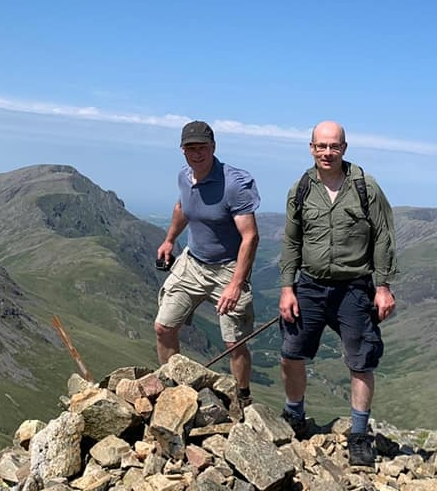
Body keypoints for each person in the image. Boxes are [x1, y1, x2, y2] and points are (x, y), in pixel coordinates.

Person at [278, 120, 397, 467]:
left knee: (361, 361)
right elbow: (291, 241)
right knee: (291, 353)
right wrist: (287, 288)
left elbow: (384, 237)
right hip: (310, 285)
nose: (327, 152)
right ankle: (294, 416)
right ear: (311, 147)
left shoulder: (365, 187)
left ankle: (359, 436)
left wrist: (384, 286)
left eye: (333, 146)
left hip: (354, 288)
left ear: (344, 148)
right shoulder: (301, 188)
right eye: (320, 146)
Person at [154, 120, 260, 407]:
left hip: (227, 268)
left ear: (214, 147)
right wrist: (169, 239)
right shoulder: (185, 177)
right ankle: (172, 387)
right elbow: (182, 207)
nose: (197, 154)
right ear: (182, 150)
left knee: (233, 343)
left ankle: (243, 397)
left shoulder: (235, 184)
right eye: (190, 148)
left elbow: (250, 236)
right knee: (164, 327)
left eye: (202, 148)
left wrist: (236, 284)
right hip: (193, 262)